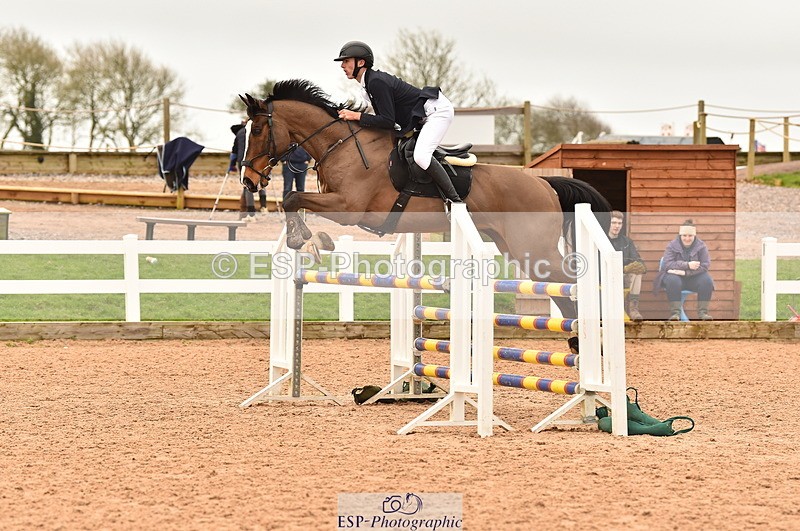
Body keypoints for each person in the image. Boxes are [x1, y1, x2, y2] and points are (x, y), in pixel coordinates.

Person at [333, 40, 462, 205]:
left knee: (421, 157)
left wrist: (356, 116)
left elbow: (387, 121)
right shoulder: (366, 86)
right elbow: (375, 118)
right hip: (423, 116)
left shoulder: (376, 82)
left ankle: (455, 201)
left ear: (361, 62)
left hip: (437, 112)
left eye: (346, 61)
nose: (342, 66)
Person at [653, 219, 715, 320]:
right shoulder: (672, 245)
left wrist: (685, 272)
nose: (687, 238)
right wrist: (687, 265)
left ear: (694, 235)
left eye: (690, 236)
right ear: (680, 235)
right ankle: (675, 314)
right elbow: (668, 264)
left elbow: (705, 265)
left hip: (692, 278)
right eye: (684, 235)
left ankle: (703, 313)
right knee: (673, 280)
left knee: (707, 280)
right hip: (674, 277)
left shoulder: (701, 246)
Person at [607, 211, 646, 320]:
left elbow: (637, 259)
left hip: (625, 279)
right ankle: (622, 308)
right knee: (632, 272)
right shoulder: (602, 240)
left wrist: (641, 266)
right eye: (613, 223)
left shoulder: (626, 241)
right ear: (608, 223)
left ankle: (633, 309)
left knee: (636, 273)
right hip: (606, 278)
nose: (617, 226)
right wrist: (623, 269)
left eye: (619, 223)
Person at [229, 121, 267, 220]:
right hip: (257, 160)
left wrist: (231, 165)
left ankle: (250, 213)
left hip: (242, 162)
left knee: (247, 185)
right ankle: (263, 206)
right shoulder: (257, 131)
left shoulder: (240, 133)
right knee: (260, 181)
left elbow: (234, 151)